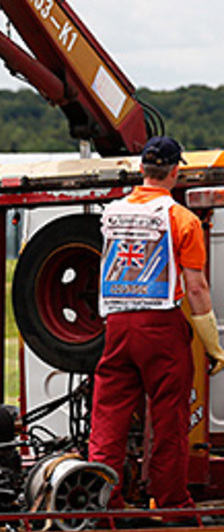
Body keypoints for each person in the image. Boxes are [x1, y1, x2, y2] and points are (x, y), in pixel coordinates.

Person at [89, 135, 224, 511]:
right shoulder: (182, 219)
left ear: (142, 169)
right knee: (169, 418)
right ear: (176, 170)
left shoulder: (111, 212)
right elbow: (195, 287)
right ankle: (170, 502)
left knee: (108, 416)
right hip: (160, 327)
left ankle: (104, 502)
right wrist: (212, 343)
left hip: (116, 325)